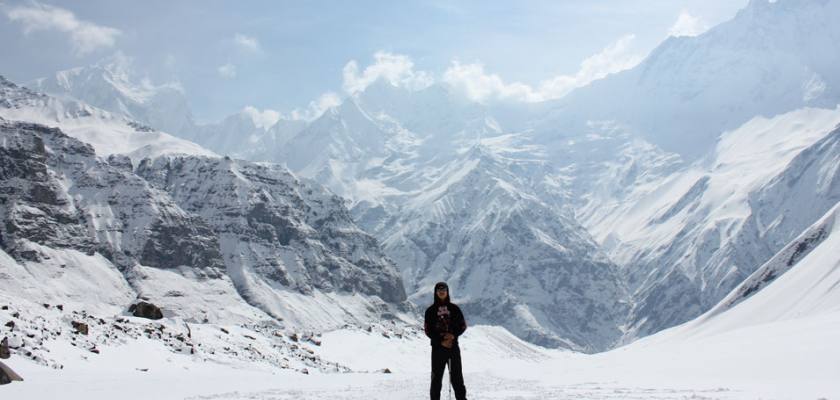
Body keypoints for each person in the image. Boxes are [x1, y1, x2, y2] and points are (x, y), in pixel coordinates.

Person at [424, 281, 467, 400]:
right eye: (439, 290)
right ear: (435, 292)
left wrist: (453, 335)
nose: (441, 292)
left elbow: (462, 326)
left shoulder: (455, 309)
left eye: (444, 290)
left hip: (453, 347)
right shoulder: (430, 311)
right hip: (438, 349)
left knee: (457, 378)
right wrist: (441, 340)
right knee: (436, 379)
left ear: (447, 292)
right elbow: (428, 330)